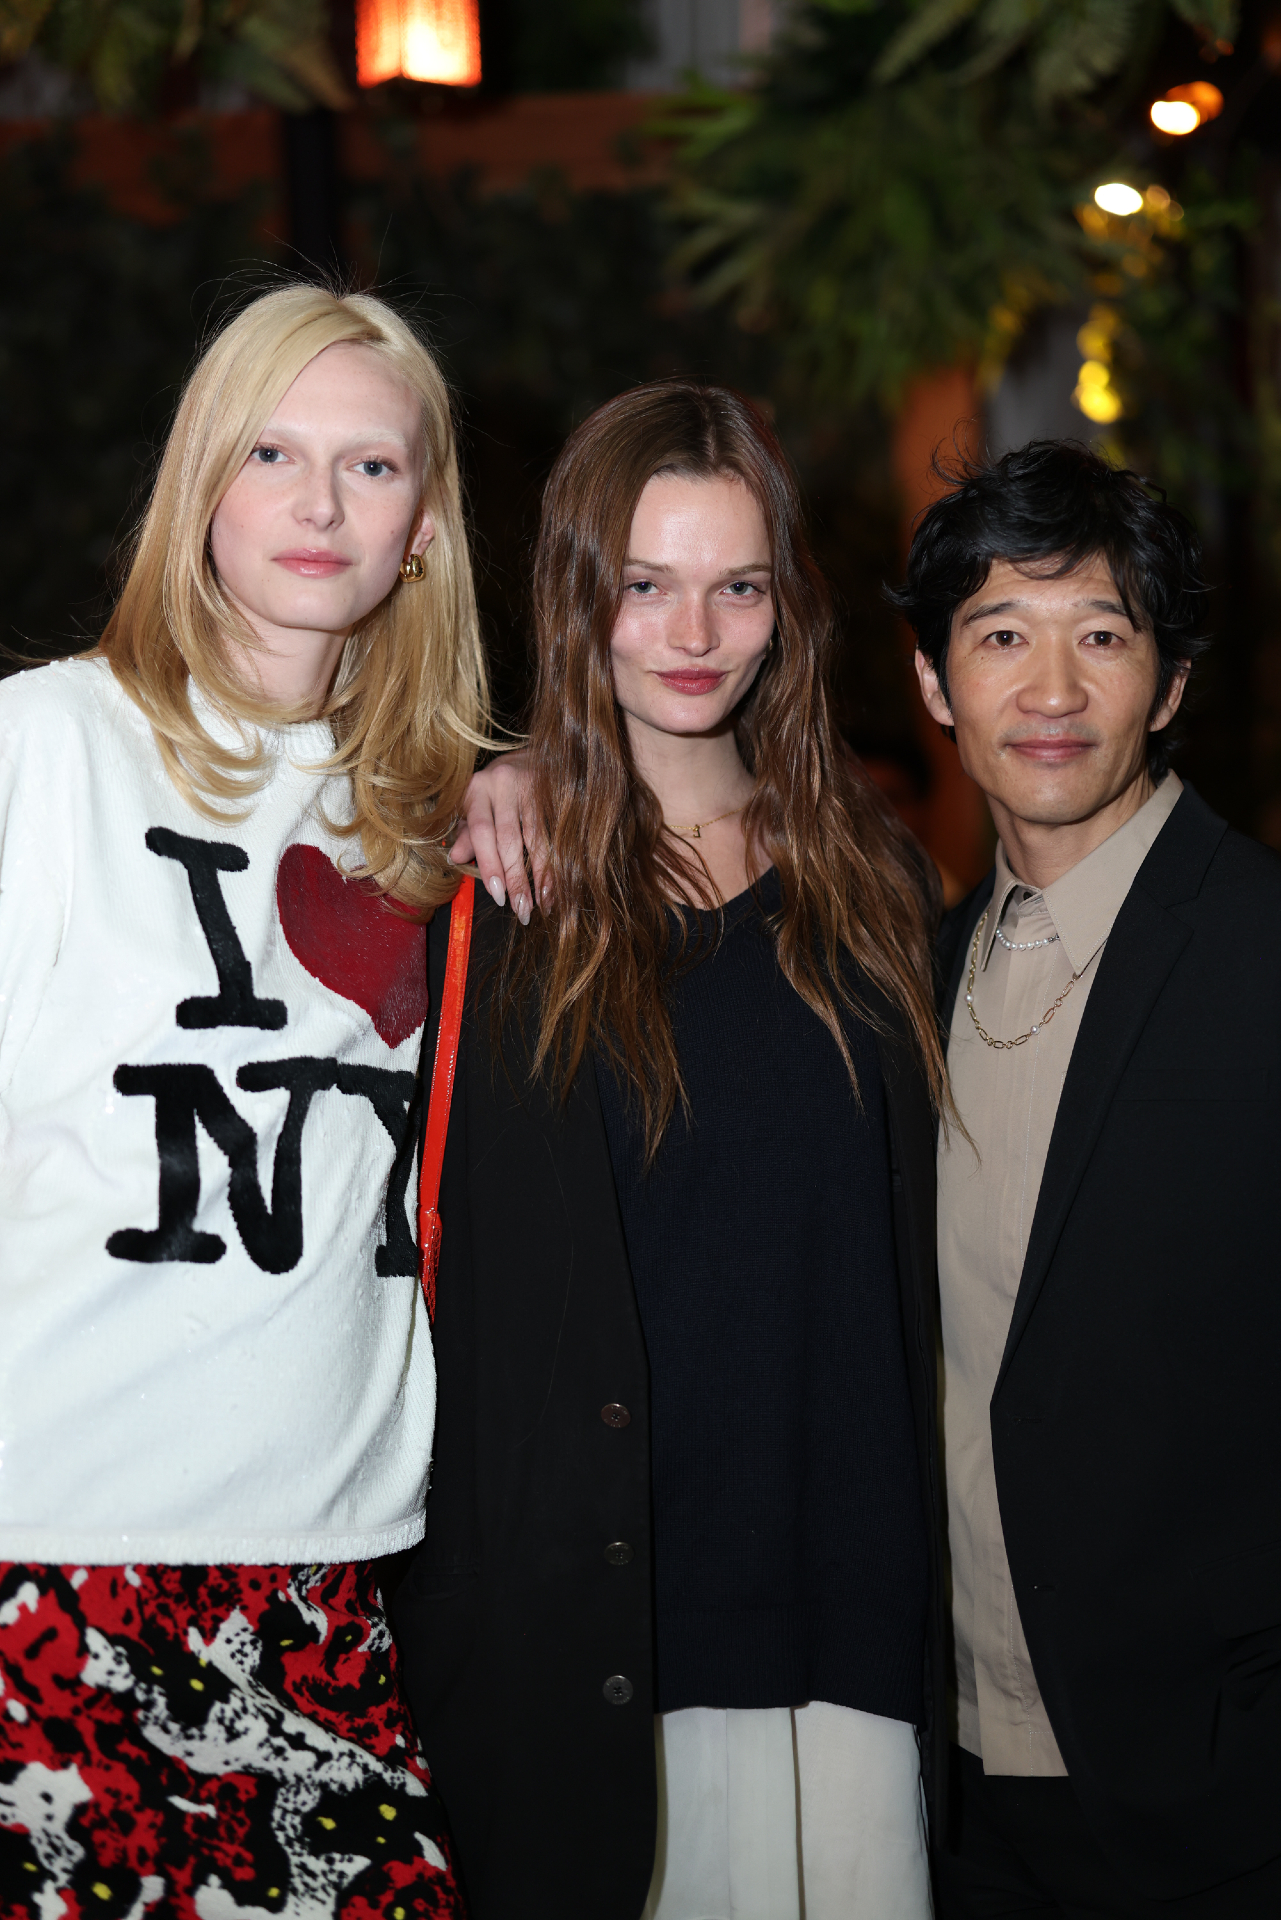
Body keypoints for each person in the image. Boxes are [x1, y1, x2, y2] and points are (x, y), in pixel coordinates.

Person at [393, 381, 950, 1920]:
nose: (692, 632)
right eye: (645, 584)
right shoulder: (495, 890)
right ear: (576, 595)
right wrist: (508, 773)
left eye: (735, 586)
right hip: (603, 1655)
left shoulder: (875, 886)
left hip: (848, 1633)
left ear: (786, 608)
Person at [0, 284, 487, 1915]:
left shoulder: (440, 817)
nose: (318, 502)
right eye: (272, 452)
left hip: (328, 1571)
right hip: (51, 1553)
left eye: (370, 465)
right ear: (201, 482)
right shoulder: (45, 748)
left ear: (424, 526)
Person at [892, 440, 1281, 1917]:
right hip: (958, 1791)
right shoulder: (913, 978)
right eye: (1000, 636)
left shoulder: (1256, 953)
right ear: (934, 683)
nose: (1049, 691)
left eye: (1101, 637)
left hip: (1214, 1798)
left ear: (1167, 684)